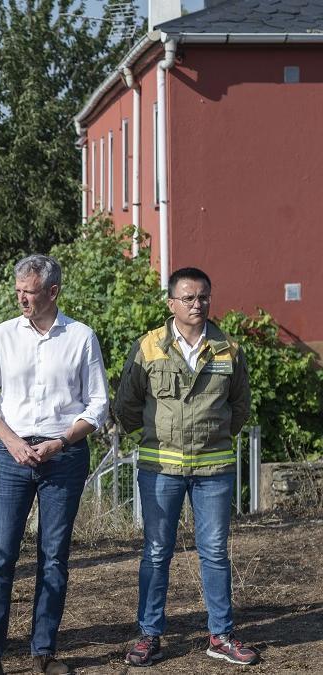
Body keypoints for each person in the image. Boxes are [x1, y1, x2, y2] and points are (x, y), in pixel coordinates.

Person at [0, 255, 109, 675]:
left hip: (63, 457)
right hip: (12, 456)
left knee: (54, 556)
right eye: (18, 292)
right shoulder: (3, 334)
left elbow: (99, 404)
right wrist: (10, 441)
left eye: (28, 293)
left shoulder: (81, 337)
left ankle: (43, 652)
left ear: (52, 292)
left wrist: (60, 441)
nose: (21, 300)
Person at [114, 267, 257, 667]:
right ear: (171, 303)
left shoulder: (227, 348)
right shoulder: (149, 346)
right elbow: (127, 403)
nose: (198, 305)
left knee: (213, 552)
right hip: (160, 468)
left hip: (214, 469)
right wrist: (149, 438)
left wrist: (218, 435)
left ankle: (221, 635)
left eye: (204, 297)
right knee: (157, 552)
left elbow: (240, 404)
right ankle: (149, 635)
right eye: (189, 298)